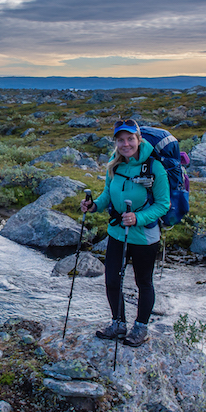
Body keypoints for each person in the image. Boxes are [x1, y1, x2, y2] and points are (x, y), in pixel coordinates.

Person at [80, 119, 170, 347]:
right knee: (111, 281)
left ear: (138, 139)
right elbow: (107, 196)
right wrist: (94, 206)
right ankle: (118, 323)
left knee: (143, 282)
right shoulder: (114, 163)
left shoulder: (154, 167)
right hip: (118, 233)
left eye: (130, 138)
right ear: (116, 142)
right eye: (121, 140)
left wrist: (139, 218)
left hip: (145, 237)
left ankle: (140, 327)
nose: (126, 143)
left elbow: (163, 204)